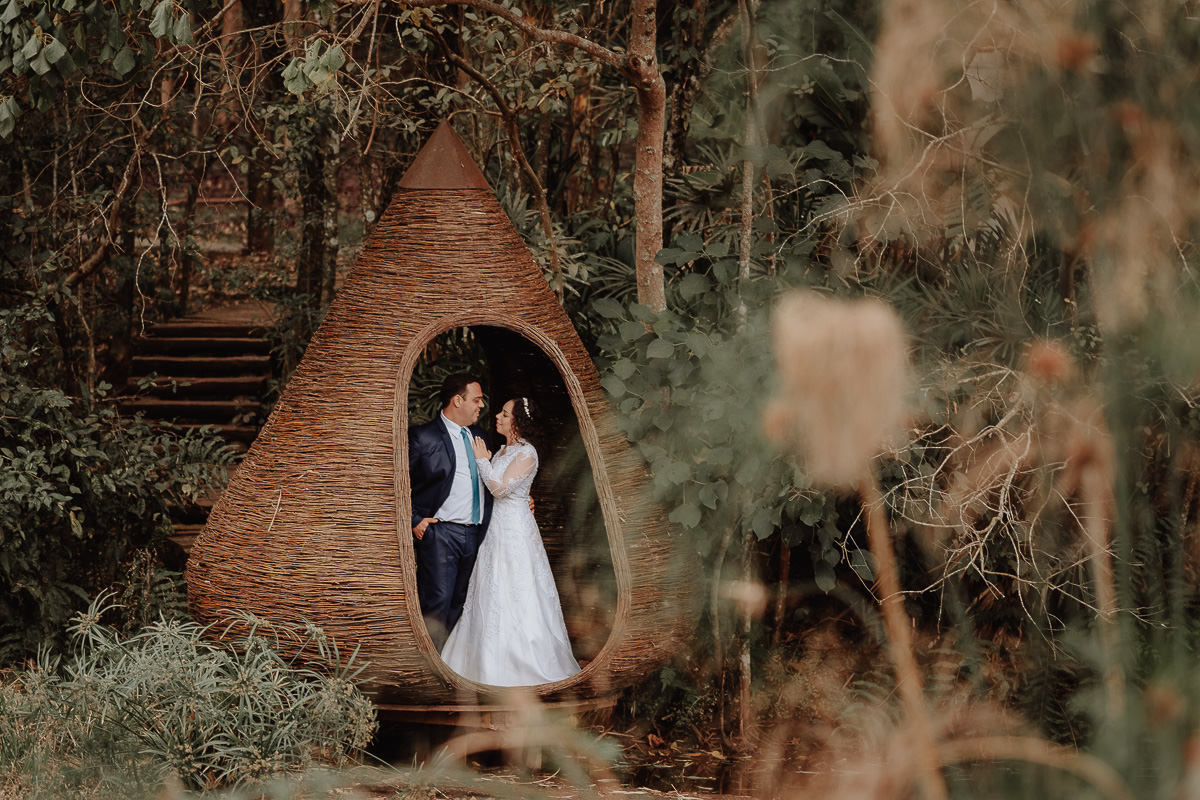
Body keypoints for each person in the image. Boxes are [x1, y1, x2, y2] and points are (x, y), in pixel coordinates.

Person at [440, 396, 581, 686]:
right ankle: (479, 661)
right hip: (496, 529)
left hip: (515, 531)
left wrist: (481, 460)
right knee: (491, 588)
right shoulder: (505, 450)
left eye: (505, 414)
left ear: (517, 422)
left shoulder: (528, 453)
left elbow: (501, 490)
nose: (498, 417)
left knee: (517, 588)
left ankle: (521, 663)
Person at [408, 373, 493, 649]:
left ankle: (451, 665)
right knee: (437, 602)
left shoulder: (480, 436)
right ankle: (428, 669)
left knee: (462, 601)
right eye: (476, 400)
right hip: (440, 533)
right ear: (458, 400)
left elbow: (495, 476)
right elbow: (395, 482)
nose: (481, 406)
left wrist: (523, 496)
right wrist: (415, 520)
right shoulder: (424, 437)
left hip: (477, 533)